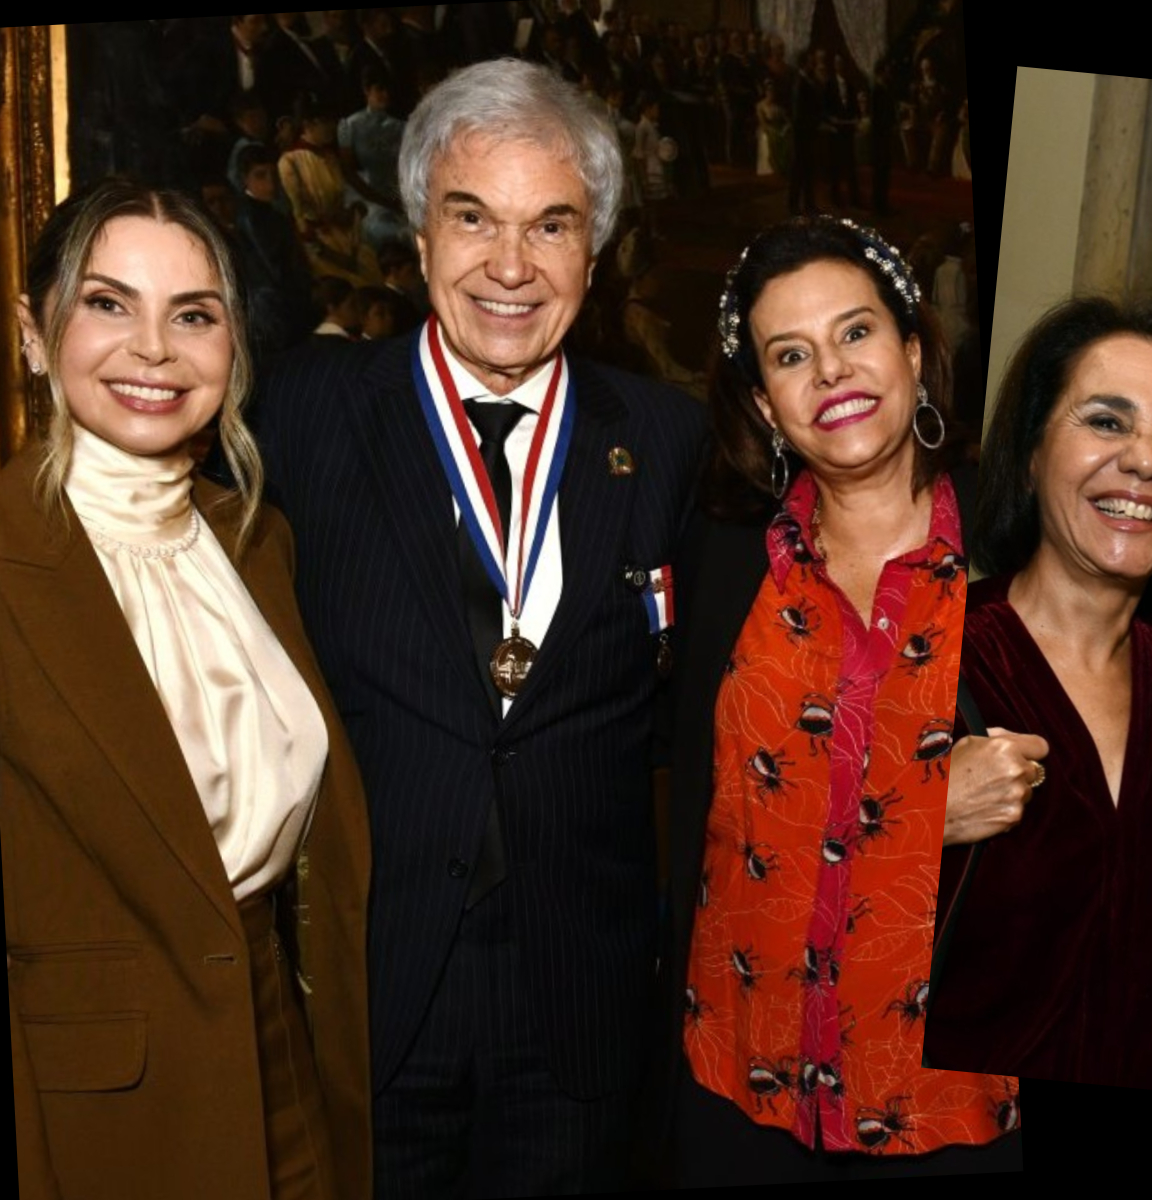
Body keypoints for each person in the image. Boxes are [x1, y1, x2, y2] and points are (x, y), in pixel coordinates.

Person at [252, 59, 705, 1196]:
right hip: (368, 987)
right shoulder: (302, 411)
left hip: (579, 1005)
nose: (511, 265)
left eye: (551, 225)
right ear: (418, 237)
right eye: (473, 219)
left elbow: (688, 707)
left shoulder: (666, 439)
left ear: (595, 254)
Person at [3, 180, 371, 1199]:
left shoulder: (254, 542)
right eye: (108, 304)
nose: (155, 349)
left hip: (288, 1067)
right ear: (33, 331)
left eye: (194, 315)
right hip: (91, 1117)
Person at [665, 216, 1021, 1185]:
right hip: (742, 1090)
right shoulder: (727, 556)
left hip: (950, 1107)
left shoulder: (1018, 544)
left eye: (856, 333)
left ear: (913, 351)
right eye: (791, 355)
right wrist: (924, 807)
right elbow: (699, 805)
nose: (831, 371)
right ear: (764, 403)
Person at [922, 295, 1152, 1089]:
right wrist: (918, 815)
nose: (1146, 463)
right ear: (1032, 451)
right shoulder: (925, 655)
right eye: (1106, 421)